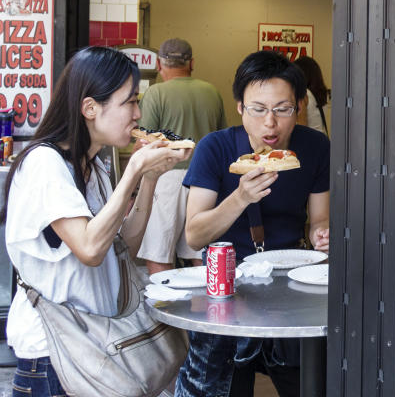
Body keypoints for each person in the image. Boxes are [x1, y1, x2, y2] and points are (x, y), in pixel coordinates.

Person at [3, 46, 191, 396]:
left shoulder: (95, 167)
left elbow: (122, 249)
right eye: (129, 102)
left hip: (97, 345)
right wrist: (134, 169)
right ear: (90, 108)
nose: (138, 114)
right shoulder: (45, 164)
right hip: (55, 355)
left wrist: (148, 179)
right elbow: (89, 248)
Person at [176, 50, 330, 397]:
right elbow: (195, 234)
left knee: (309, 386)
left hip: (290, 288)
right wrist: (240, 198)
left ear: (300, 106)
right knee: (220, 388)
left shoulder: (316, 147)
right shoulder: (214, 148)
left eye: (282, 109)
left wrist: (322, 235)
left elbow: (319, 219)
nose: (270, 124)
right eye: (258, 110)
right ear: (240, 107)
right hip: (226, 292)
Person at [137, 38, 226, 276]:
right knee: (200, 255)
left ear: (159, 64)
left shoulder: (155, 93)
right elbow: (220, 140)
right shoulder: (212, 92)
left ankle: (163, 310)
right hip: (206, 182)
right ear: (192, 63)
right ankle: (206, 310)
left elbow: (143, 143)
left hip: (166, 179)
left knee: (159, 253)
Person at [294, 56, 329, 135]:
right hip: (321, 139)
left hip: (310, 141)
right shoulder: (322, 93)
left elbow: (301, 127)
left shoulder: (303, 94)